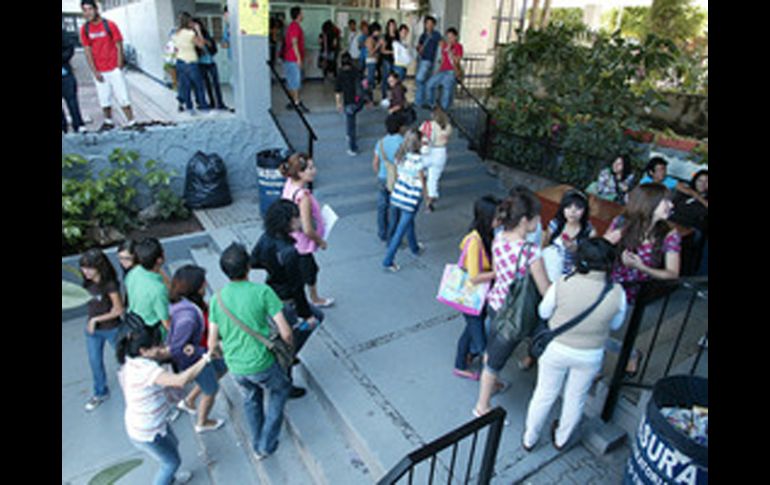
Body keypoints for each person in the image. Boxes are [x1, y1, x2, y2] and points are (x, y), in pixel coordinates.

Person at [522, 238, 627, 452]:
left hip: (557, 348)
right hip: (590, 354)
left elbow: (544, 312)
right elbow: (616, 324)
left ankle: (529, 439)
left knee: (544, 393)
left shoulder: (563, 283)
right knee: (575, 398)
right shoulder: (617, 293)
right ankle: (561, 440)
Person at [207, 243, 294, 460]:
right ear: (248, 267)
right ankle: (266, 443)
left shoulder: (216, 299)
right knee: (280, 390)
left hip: (236, 366)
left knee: (250, 400)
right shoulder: (262, 292)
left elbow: (212, 343)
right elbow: (285, 332)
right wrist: (289, 349)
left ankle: (256, 444)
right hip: (261, 362)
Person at [472, 189, 551, 418]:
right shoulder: (531, 252)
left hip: (495, 304)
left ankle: (492, 385)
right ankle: (482, 407)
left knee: (492, 349)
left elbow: (497, 271)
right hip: (514, 314)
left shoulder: (498, 238)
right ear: (525, 221)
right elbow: (545, 290)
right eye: (536, 218)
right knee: (493, 364)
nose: (539, 222)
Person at [250, 199, 327, 398]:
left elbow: (254, 260)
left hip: (271, 293)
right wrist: (306, 314)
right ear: (287, 221)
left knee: (288, 336)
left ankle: (288, 357)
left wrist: (272, 267)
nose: (300, 220)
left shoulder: (266, 237)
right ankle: (286, 375)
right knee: (295, 336)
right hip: (286, 301)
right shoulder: (290, 252)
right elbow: (297, 288)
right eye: (296, 217)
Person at [117, 325, 212, 484]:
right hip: (148, 430)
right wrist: (205, 359)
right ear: (143, 351)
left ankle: (170, 480)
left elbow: (163, 353)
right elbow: (180, 381)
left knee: (173, 444)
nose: (162, 348)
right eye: (157, 346)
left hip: (149, 423)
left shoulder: (132, 359)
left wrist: (184, 349)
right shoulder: (145, 370)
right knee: (171, 463)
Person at [603, 183, 681, 375]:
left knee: (618, 332)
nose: (671, 206)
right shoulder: (622, 222)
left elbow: (673, 273)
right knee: (598, 329)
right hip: (608, 286)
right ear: (650, 203)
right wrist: (612, 246)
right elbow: (600, 249)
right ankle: (600, 363)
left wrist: (641, 267)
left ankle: (631, 354)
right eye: (666, 202)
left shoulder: (670, 234)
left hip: (633, 293)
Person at [167, 265, 228, 434]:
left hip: (206, 351)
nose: (206, 284)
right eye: (203, 283)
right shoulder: (187, 317)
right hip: (198, 360)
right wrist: (203, 353)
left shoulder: (191, 304)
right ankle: (202, 422)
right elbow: (178, 348)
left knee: (222, 368)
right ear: (196, 287)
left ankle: (189, 400)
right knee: (211, 390)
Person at [452, 196, 500, 380]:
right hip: (472, 295)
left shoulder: (487, 236)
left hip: (479, 297)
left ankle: (460, 365)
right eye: (497, 216)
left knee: (469, 331)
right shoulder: (474, 241)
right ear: (486, 217)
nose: (500, 220)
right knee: (481, 345)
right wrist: (497, 272)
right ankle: (492, 383)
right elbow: (474, 277)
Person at [280, 154, 335, 308]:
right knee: (309, 272)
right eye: (310, 168)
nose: (314, 171)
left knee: (301, 271)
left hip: (291, 238)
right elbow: (308, 229)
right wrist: (320, 241)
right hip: (302, 244)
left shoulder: (290, 183)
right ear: (300, 173)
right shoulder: (302, 197)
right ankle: (313, 299)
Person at [80, 248, 125, 411]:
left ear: (100, 266)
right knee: (95, 362)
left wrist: (95, 320)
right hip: (93, 331)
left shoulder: (110, 285)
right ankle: (100, 392)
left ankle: (135, 390)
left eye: (89, 268)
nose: (85, 272)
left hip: (112, 329)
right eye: (83, 268)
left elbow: (119, 310)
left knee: (125, 360)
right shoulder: (87, 282)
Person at [79, 0, 136, 129]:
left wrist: (119, 63)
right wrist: (94, 71)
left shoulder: (109, 25)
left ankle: (132, 122)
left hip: (113, 68)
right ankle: (108, 122)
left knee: (123, 97)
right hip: (100, 70)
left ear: (96, 9)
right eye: (85, 10)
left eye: (90, 9)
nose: (88, 13)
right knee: (104, 99)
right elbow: (87, 50)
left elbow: (118, 44)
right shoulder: (85, 29)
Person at [382, 128, 428, 272]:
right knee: (400, 231)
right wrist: (428, 200)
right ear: (418, 143)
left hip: (397, 196)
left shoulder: (400, 156)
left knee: (408, 223)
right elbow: (423, 183)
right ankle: (388, 260)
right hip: (410, 199)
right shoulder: (420, 162)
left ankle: (414, 247)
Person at [541, 189, 597, 284]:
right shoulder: (555, 225)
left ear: (585, 210)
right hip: (549, 271)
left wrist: (577, 250)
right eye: (568, 207)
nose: (572, 211)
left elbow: (591, 259)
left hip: (572, 278)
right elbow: (545, 246)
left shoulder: (589, 231)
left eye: (578, 208)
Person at [124, 238, 171, 340]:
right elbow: (166, 322)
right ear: (159, 259)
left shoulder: (134, 272)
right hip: (152, 331)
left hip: (134, 321)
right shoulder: (158, 290)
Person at [373, 113, 407, 243]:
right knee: (395, 209)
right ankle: (392, 236)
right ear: (400, 127)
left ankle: (382, 232)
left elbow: (375, 162)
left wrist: (379, 174)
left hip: (383, 177)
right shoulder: (403, 143)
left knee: (382, 206)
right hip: (397, 178)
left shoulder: (381, 142)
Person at [172, 12, 210, 115]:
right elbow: (201, 45)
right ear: (188, 22)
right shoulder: (190, 34)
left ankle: (189, 108)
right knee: (199, 86)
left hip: (180, 62)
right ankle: (203, 107)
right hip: (191, 63)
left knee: (186, 87)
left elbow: (175, 49)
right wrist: (198, 31)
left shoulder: (176, 34)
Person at [420, 106, 453, 212]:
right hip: (441, 152)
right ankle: (431, 198)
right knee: (433, 178)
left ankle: (423, 194)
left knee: (421, 173)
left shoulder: (427, 125)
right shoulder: (448, 127)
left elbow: (420, 136)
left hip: (428, 151)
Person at [193, 18, 229, 111]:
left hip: (211, 63)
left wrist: (204, 38)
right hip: (201, 64)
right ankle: (212, 103)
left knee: (216, 84)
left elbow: (214, 49)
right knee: (207, 85)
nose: (196, 27)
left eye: (197, 25)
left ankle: (220, 103)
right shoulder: (193, 37)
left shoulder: (207, 36)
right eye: (194, 26)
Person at [425, 28, 463, 111]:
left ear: (455, 37)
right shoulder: (445, 46)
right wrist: (438, 70)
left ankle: (443, 111)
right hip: (442, 71)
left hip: (451, 72)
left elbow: (456, 61)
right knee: (429, 84)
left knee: (446, 92)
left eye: (451, 37)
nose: (449, 39)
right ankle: (432, 105)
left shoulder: (459, 46)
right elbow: (442, 60)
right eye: (448, 37)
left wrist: (450, 52)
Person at [335, 52, 365, 156]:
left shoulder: (340, 74)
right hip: (359, 101)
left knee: (350, 122)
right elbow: (364, 84)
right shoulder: (356, 71)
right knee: (352, 119)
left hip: (348, 101)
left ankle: (352, 147)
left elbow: (338, 91)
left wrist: (338, 103)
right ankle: (349, 135)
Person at [283, 7, 310, 113]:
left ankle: (292, 101)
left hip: (289, 58)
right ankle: (297, 102)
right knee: (296, 82)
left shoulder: (292, 26)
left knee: (291, 82)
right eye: (302, 13)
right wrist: (298, 59)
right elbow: (294, 43)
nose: (303, 15)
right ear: (298, 15)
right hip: (293, 59)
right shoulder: (295, 26)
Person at [414, 16, 443, 109]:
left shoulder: (436, 35)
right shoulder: (423, 35)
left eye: (431, 24)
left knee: (419, 79)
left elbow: (442, 45)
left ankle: (420, 101)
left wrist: (442, 58)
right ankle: (426, 102)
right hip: (422, 59)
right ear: (425, 24)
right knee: (425, 81)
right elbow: (418, 47)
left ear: (434, 25)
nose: (429, 26)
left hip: (429, 60)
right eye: (427, 23)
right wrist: (419, 48)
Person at [62, 28, 86, 133]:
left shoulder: (63, 33)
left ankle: (78, 125)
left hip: (64, 73)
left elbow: (69, 49)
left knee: (72, 101)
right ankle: (63, 128)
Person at [379, 19, 399, 106]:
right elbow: (382, 50)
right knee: (385, 79)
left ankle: (393, 97)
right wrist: (392, 52)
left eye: (393, 25)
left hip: (396, 61)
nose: (392, 27)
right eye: (390, 25)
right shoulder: (385, 36)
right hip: (386, 60)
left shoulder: (397, 36)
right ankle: (384, 97)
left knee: (394, 80)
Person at [364, 23, 383, 104]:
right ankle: (368, 99)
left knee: (371, 81)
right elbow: (371, 52)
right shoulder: (369, 39)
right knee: (370, 81)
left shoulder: (373, 39)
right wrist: (378, 45)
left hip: (373, 61)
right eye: (378, 31)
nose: (379, 33)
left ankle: (369, 98)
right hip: (370, 61)